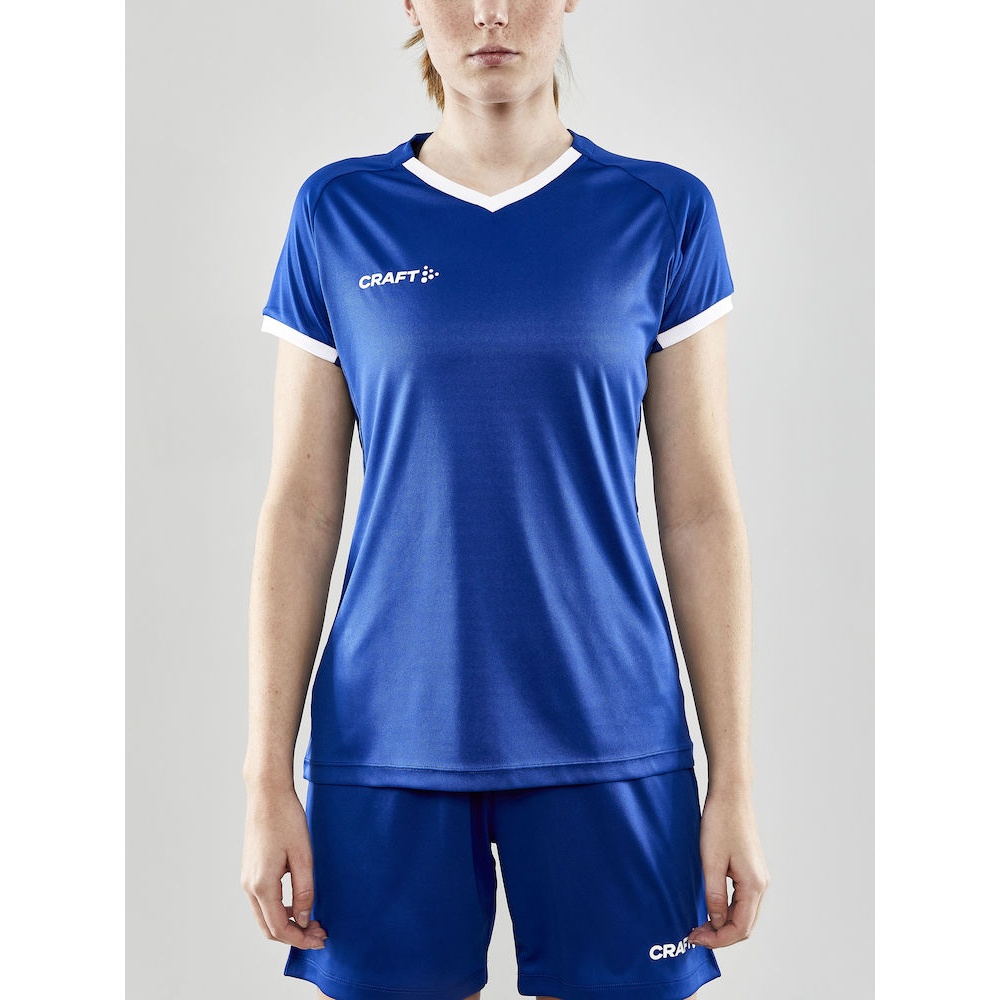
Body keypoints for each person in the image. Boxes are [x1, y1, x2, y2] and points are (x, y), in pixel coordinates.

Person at [241, 3, 769, 999]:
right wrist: (265, 774)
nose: (489, 13)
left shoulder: (662, 212)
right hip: (387, 740)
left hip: (610, 731)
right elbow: (301, 508)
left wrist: (732, 776)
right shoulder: (338, 213)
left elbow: (700, 508)